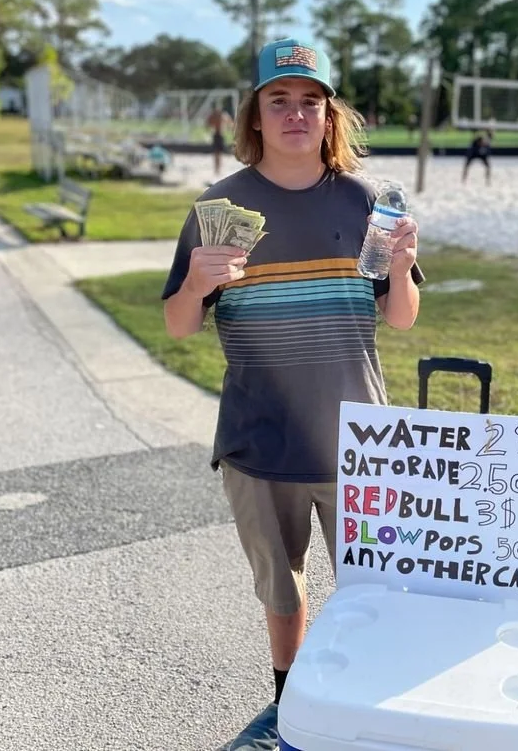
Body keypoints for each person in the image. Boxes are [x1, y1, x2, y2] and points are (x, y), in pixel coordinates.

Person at [161, 38, 423, 751]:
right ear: (255, 114)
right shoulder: (219, 206)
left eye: (312, 101)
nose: (297, 114)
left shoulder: (366, 201)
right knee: (283, 593)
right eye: (280, 100)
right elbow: (180, 326)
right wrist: (194, 284)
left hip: (358, 438)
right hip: (259, 435)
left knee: (374, 592)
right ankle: (291, 710)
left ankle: (367, 711)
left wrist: (401, 271)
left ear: (330, 115)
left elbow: (399, 317)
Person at [206, 103, 235, 176]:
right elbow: (208, 123)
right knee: (217, 153)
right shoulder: (216, 115)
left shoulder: (223, 115)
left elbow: (231, 124)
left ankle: (218, 168)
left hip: (220, 135)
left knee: (219, 153)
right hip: (217, 135)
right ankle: (217, 169)